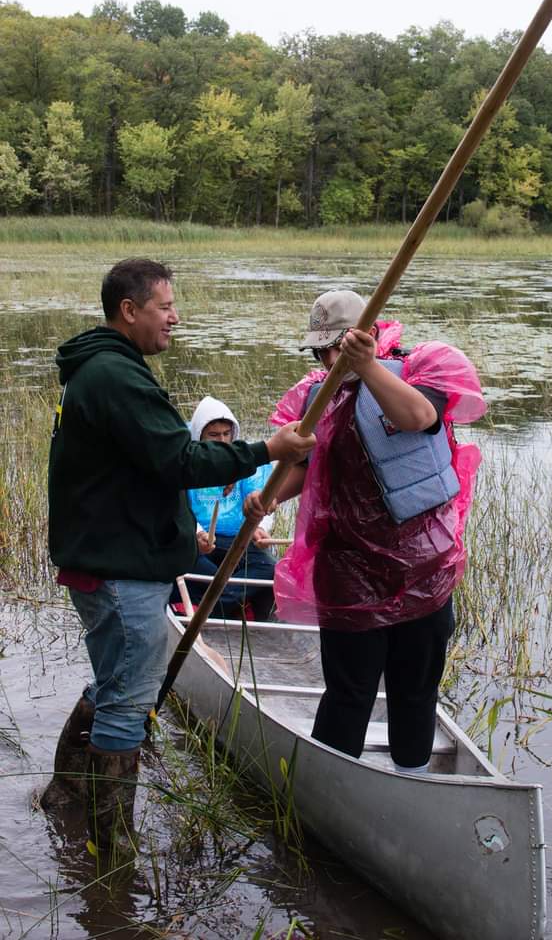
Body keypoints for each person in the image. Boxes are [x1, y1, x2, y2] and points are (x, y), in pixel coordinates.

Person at [41, 258, 314, 853]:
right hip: (122, 568)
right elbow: (182, 461)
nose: (175, 317)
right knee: (128, 705)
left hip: (105, 559)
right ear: (129, 310)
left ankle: (63, 797)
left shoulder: (101, 368)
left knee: (113, 684)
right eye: (165, 306)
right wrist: (268, 448)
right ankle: (111, 852)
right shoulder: (115, 376)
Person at [245, 289, 485, 775]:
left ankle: (414, 782)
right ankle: (330, 785)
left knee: (414, 688)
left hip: (422, 569)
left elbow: (419, 418)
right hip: (348, 571)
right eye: (324, 351)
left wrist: (368, 366)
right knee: (350, 691)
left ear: (370, 335)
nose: (332, 360)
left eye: (342, 346)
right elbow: (303, 468)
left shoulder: (424, 369)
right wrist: (268, 498)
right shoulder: (313, 399)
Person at [177, 395, 277, 620]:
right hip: (199, 543)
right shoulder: (187, 462)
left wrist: (258, 524)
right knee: (184, 564)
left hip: (237, 540)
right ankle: (234, 603)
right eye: (213, 435)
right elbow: (178, 508)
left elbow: (259, 494)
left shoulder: (244, 460)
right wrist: (199, 534)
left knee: (269, 570)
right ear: (199, 435)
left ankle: (210, 609)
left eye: (226, 434)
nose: (222, 441)